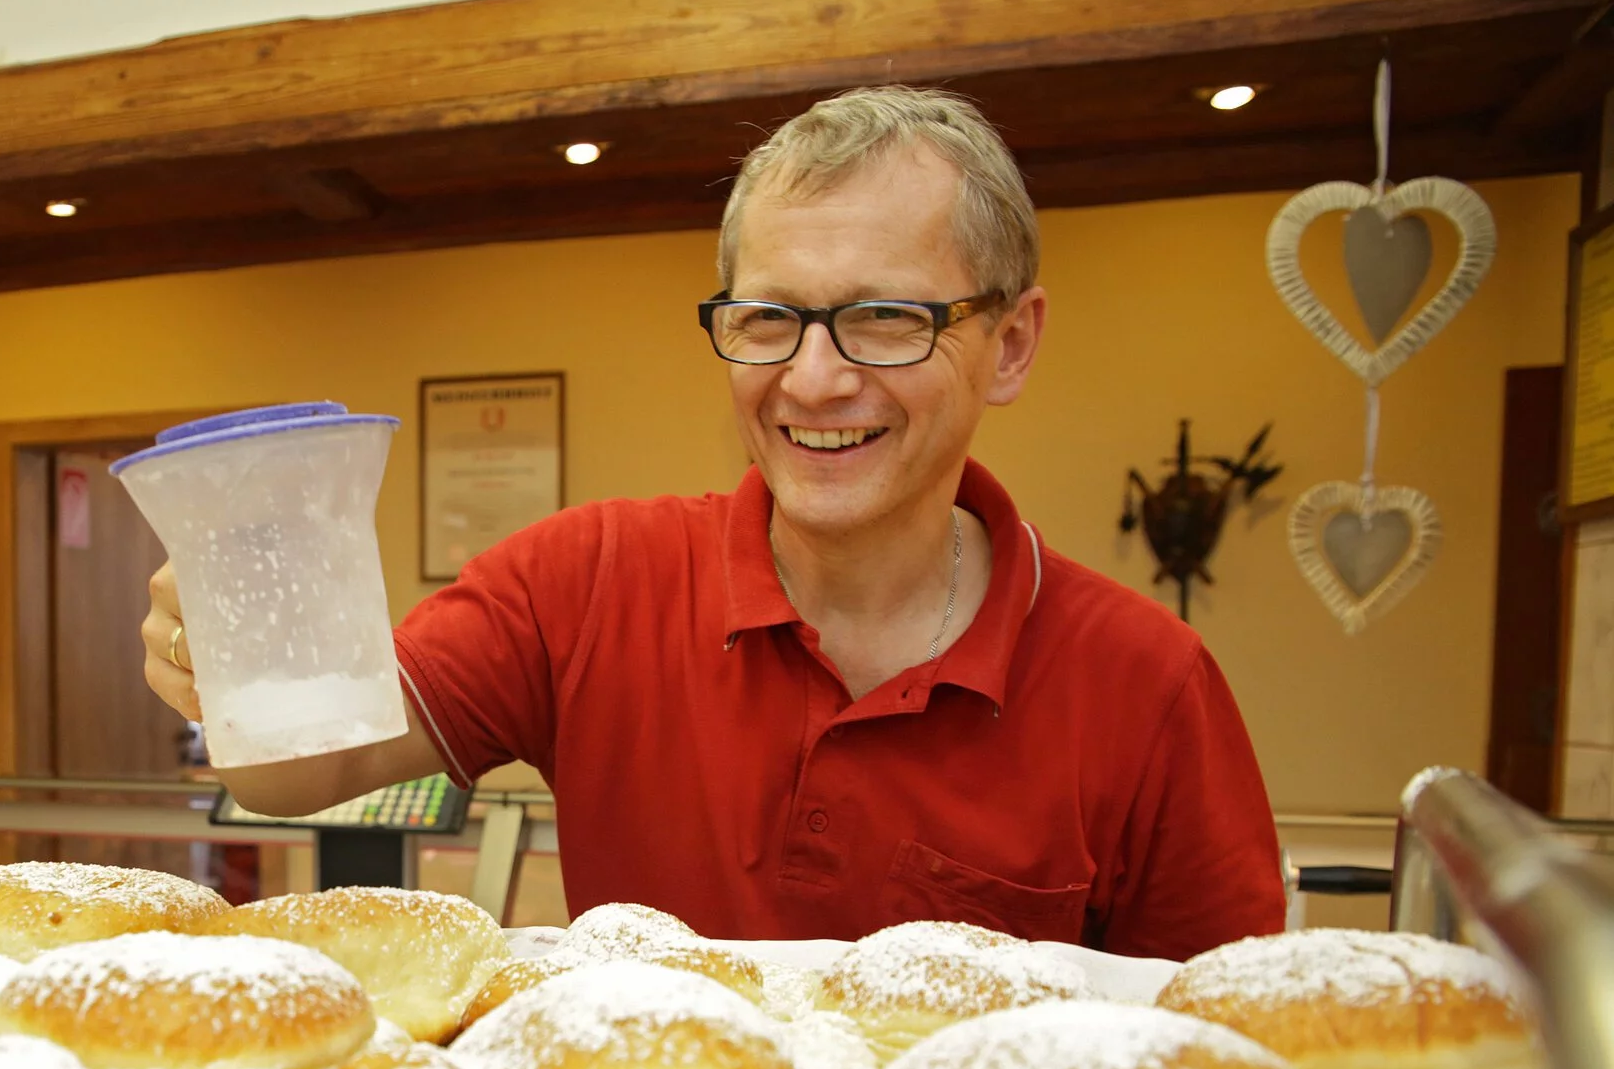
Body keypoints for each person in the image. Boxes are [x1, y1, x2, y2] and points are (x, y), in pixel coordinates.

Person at [140, 87, 1283, 959]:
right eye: (769, 317)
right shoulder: (584, 581)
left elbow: (1233, 1056)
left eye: (886, 318)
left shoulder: (1149, 683)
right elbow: (302, 775)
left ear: (1013, 343)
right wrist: (229, 645)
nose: (815, 379)